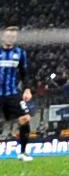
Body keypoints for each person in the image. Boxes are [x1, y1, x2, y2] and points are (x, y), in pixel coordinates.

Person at [0, 26, 31, 160]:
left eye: (13, 37)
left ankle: (23, 153)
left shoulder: (20, 53)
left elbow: (24, 73)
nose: (11, 38)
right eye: (8, 36)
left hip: (12, 93)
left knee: (25, 119)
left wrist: (27, 89)